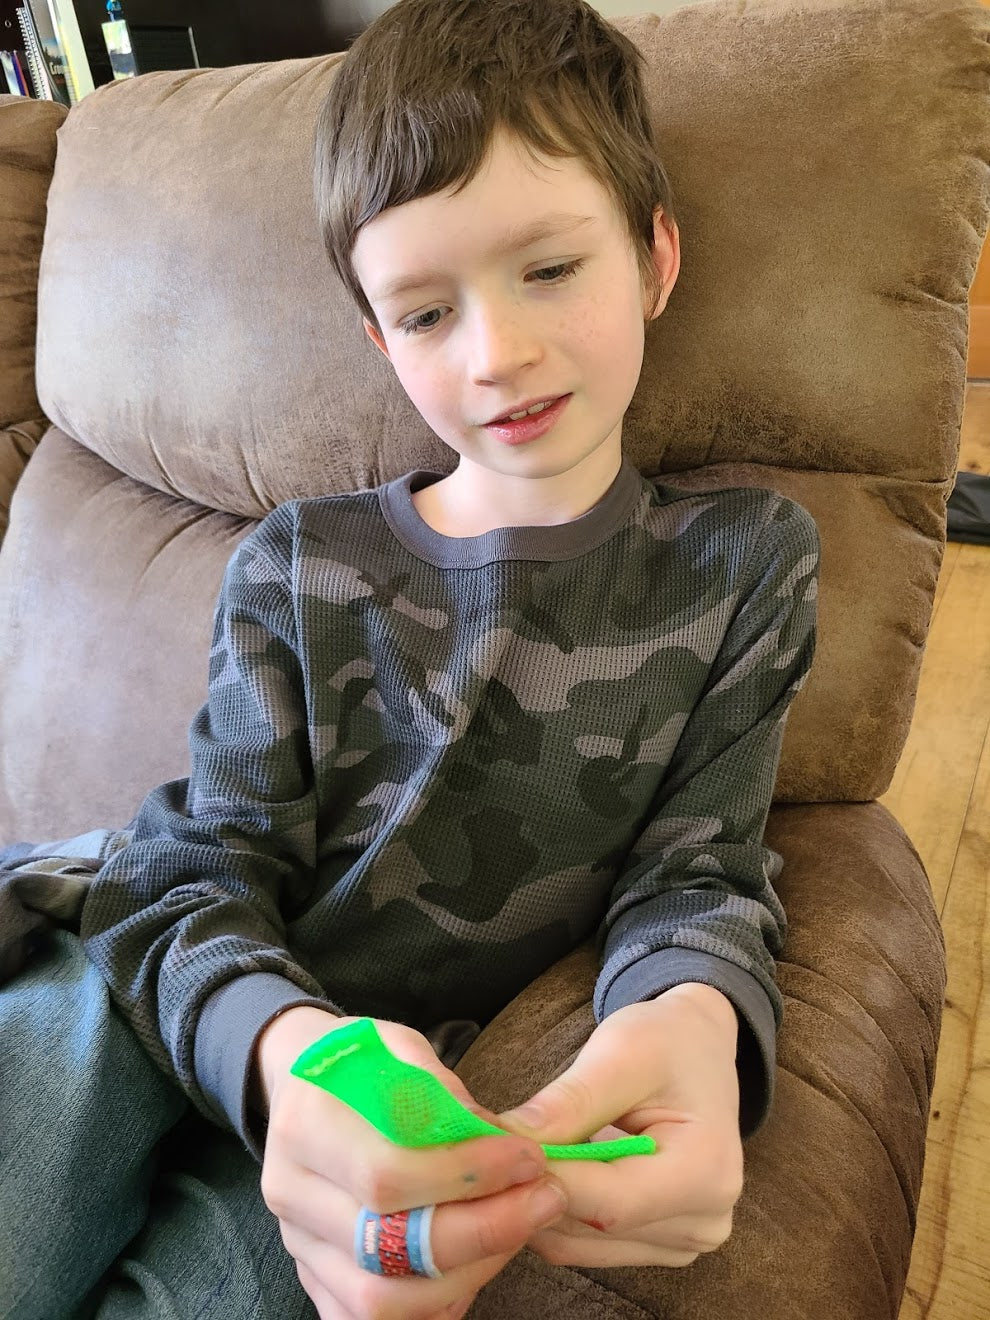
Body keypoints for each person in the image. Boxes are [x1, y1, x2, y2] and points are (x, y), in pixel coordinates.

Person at [0, 0, 820, 1317]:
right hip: (147, 991)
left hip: (400, 1107)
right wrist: (283, 1049)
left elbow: (699, 870)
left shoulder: (741, 564)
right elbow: (194, 874)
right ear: (381, 342)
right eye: (428, 313)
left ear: (654, 257)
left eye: (548, 269)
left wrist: (694, 1020)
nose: (496, 354)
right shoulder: (296, 561)